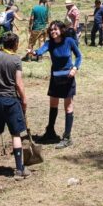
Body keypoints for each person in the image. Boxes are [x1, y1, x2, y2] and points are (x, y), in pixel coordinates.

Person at [0, 32, 31, 181]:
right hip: (11, 101)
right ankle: (19, 170)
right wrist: (24, 99)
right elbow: (18, 83)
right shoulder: (16, 60)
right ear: (15, 44)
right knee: (15, 135)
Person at [31, 21, 82, 149]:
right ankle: (50, 132)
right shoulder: (50, 43)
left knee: (68, 106)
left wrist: (75, 68)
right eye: (51, 30)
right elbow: (40, 51)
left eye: (55, 29)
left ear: (61, 30)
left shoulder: (69, 41)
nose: (53, 32)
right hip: (55, 77)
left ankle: (67, 137)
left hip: (68, 77)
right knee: (53, 104)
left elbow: (79, 56)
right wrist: (34, 53)